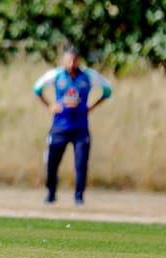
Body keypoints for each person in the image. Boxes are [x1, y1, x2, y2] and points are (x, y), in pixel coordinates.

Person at [32, 45, 112, 205]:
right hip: (59, 127)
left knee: (81, 164)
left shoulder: (88, 76)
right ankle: (51, 193)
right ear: (63, 60)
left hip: (80, 128)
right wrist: (50, 105)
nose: (71, 63)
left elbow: (108, 90)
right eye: (68, 60)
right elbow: (37, 88)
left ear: (78, 61)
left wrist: (92, 107)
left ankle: (79, 196)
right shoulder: (56, 75)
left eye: (74, 60)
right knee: (52, 162)